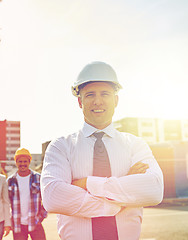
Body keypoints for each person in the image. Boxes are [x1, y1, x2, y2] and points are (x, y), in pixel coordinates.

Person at [40, 61, 164, 240]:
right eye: (90, 95)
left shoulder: (135, 144)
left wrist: (86, 184)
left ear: (116, 100)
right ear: (79, 102)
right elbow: (53, 197)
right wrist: (120, 196)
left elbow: (154, 190)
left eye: (105, 94)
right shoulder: (60, 147)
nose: (97, 101)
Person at [7, 148, 47, 240]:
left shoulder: (38, 178)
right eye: (20, 161)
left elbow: (46, 198)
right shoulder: (10, 181)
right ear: (16, 162)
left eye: (25, 161)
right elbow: (6, 203)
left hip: (36, 223)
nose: (22, 164)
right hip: (18, 226)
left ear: (29, 161)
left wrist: (41, 217)